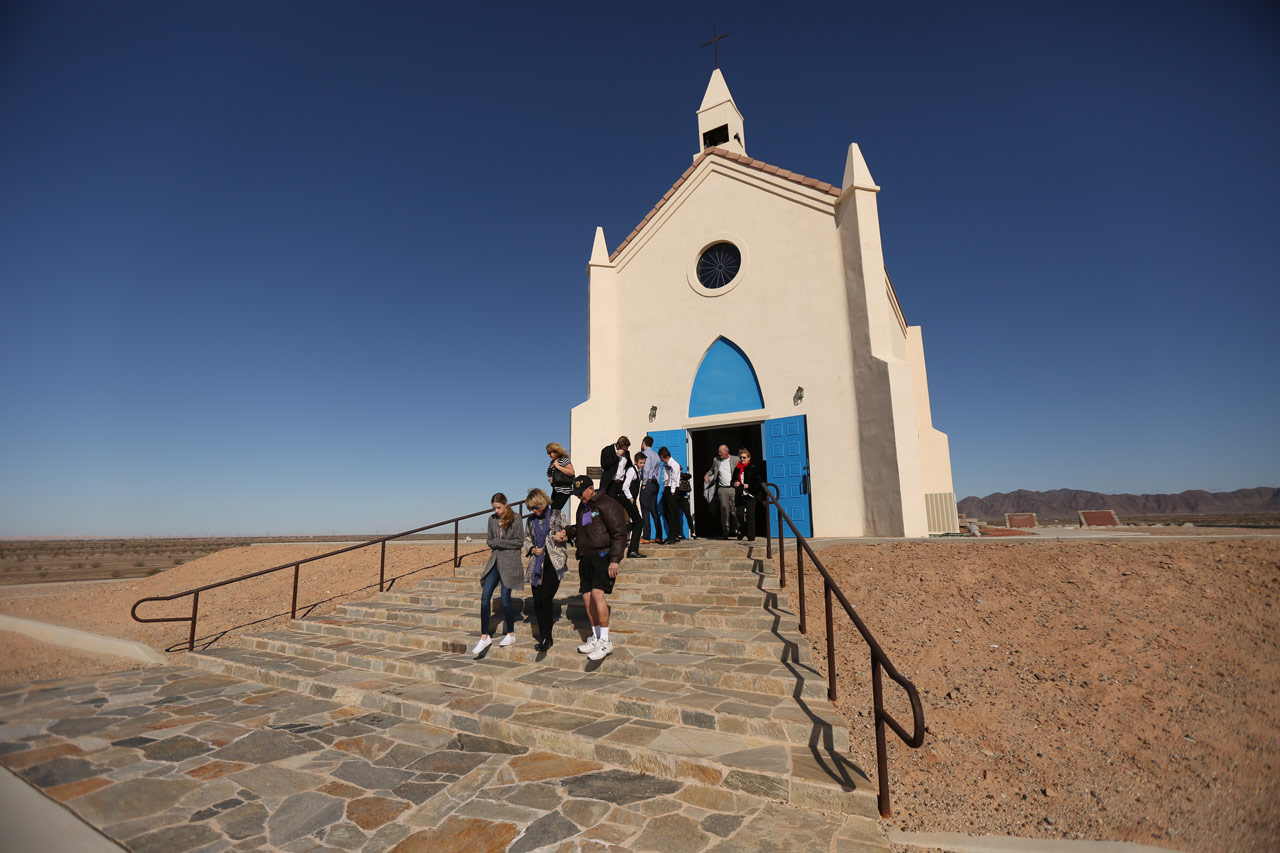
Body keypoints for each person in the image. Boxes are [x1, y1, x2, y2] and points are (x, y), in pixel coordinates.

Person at [555, 475, 628, 661]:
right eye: (577, 495)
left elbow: (619, 532)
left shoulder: (607, 504)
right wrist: (567, 532)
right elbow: (581, 528)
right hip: (586, 557)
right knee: (587, 598)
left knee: (597, 595)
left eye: (582, 493)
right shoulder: (584, 506)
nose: (580, 497)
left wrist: (615, 559)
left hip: (603, 555)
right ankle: (595, 637)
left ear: (590, 489)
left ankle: (605, 641)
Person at [474, 492, 525, 654]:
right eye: (494, 508)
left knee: (505, 599)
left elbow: (519, 542)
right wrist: (494, 543)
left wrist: (499, 543)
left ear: (506, 504)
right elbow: (490, 540)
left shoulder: (516, 518)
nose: (496, 511)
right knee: (484, 597)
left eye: (498, 507)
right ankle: (484, 637)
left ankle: (511, 633)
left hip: (510, 562)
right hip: (494, 561)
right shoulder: (492, 519)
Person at [523, 488, 568, 652]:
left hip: (554, 562)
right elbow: (526, 539)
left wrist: (562, 536)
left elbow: (568, 532)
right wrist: (532, 549)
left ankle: (547, 638)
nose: (534, 511)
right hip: (537, 564)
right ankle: (543, 635)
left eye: (536, 507)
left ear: (542, 502)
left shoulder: (557, 515)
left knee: (546, 597)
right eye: (531, 508)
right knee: (537, 601)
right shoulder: (529, 521)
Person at [658, 447, 690, 545]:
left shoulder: (674, 465)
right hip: (666, 488)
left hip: (672, 489)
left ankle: (672, 536)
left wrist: (672, 491)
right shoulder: (665, 464)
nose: (662, 460)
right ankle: (675, 534)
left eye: (662, 458)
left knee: (672, 513)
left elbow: (674, 479)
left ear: (667, 456)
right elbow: (665, 477)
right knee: (666, 512)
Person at [704, 444, 737, 538]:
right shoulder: (716, 460)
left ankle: (739, 530)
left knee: (736, 510)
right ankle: (725, 533)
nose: (719, 453)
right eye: (719, 452)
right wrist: (707, 474)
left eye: (720, 451)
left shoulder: (735, 459)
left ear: (726, 451)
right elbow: (712, 470)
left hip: (733, 489)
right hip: (722, 489)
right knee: (724, 512)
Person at [732, 447, 764, 541]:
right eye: (741, 457)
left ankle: (751, 536)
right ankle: (743, 529)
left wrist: (748, 485)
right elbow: (732, 480)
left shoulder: (753, 468)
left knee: (750, 516)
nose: (742, 459)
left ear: (748, 458)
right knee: (739, 514)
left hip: (751, 494)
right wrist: (734, 483)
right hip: (740, 494)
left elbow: (758, 482)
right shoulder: (737, 468)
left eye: (744, 457)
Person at [637, 436, 665, 543]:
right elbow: (658, 472)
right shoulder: (656, 455)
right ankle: (659, 535)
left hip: (648, 483)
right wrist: (656, 481)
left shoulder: (646, 455)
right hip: (655, 483)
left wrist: (644, 483)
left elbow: (646, 469)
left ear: (644, 443)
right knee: (654, 510)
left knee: (645, 509)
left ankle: (646, 536)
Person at [620, 453, 646, 558]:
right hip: (628, 500)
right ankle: (632, 550)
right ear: (636, 461)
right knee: (639, 522)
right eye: (641, 462)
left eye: (644, 463)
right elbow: (625, 486)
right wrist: (630, 498)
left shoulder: (639, 471)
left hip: (631, 500)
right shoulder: (632, 470)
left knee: (637, 522)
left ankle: (621, 530)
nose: (642, 464)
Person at [545, 442, 575, 511]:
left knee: (555, 510)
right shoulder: (552, 462)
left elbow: (571, 472)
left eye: (550, 453)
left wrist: (558, 466)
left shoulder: (564, 459)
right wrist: (551, 479)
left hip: (564, 490)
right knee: (553, 510)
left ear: (555, 451)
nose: (549, 455)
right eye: (548, 453)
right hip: (556, 489)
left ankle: (557, 522)